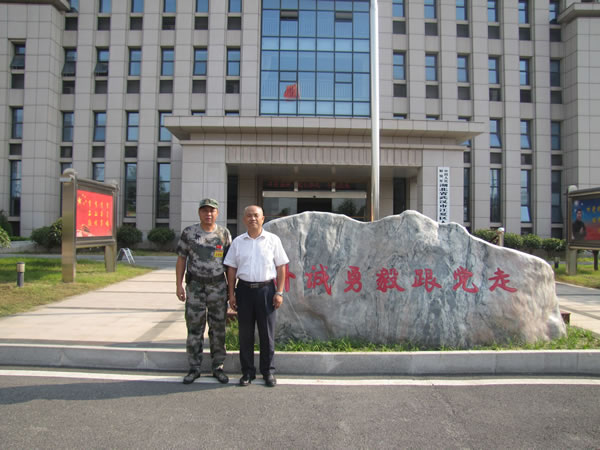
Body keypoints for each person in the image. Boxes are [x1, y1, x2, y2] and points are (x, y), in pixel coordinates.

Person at [224, 205, 289, 387]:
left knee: (267, 334)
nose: (252, 218)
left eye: (256, 215)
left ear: (262, 218)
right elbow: (231, 269)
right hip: (244, 290)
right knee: (245, 334)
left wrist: (279, 292)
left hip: (266, 290)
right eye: (249, 216)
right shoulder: (238, 242)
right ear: (244, 219)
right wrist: (231, 294)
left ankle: (268, 371)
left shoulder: (273, 240)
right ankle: (247, 372)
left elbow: (281, 266)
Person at [176, 198, 232, 384]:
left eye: (212, 210)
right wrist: (178, 285)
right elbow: (181, 259)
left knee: (218, 328)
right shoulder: (189, 233)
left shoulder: (224, 233)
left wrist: (231, 290)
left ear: (217, 213)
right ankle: (194, 367)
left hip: (218, 287)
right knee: (194, 328)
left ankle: (218, 367)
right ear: (199, 212)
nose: (208, 214)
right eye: (205, 210)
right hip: (195, 287)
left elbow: (230, 264)